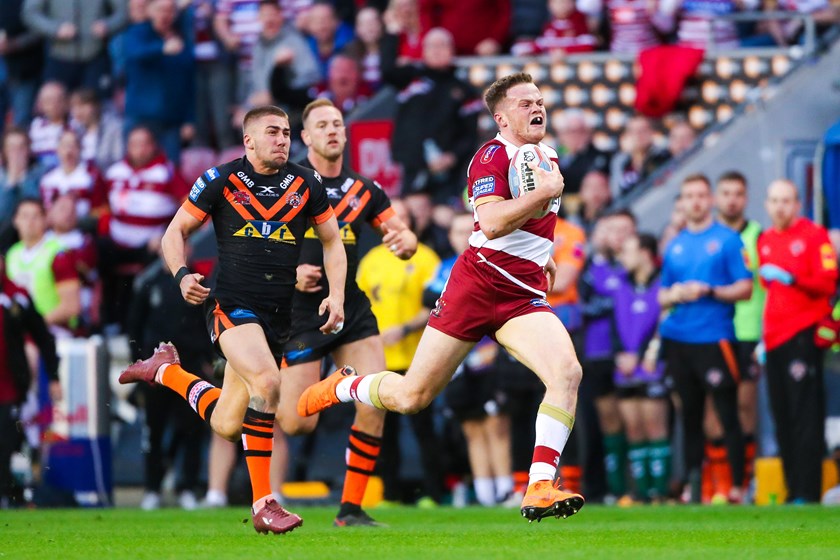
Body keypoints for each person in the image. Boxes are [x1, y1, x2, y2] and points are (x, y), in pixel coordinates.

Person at [298, 72, 586, 523]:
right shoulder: (490, 157)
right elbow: (491, 223)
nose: (537, 108)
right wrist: (544, 194)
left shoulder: (546, 156)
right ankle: (343, 386)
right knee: (412, 396)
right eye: (525, 103)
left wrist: (541, 252)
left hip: (522, 294)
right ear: (501, 118)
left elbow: (528, 223)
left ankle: (539, 485)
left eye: (539, 101)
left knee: (567, 372)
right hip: (477, 286)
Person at [118, 105, 347, 534]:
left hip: (279, 316)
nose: (282, 139)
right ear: (248, 141)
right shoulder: (221, 180)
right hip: (232, 305)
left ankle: (165, 372)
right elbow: (174, 233)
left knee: (227, 423)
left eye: (286, 133)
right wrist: (181, 275)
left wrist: (336, 295)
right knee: (268, 382)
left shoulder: (307, 182)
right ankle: (264, 504)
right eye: (273, 132)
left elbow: (332, 242)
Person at [278, 98, 417, 526]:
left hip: (350, 307)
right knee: (295, 423)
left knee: (375, 400)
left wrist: (406, 242)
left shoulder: (364, 190)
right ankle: (336, 385)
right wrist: (289, 274)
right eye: (322, 125)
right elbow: (255, 245)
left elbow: (402, 233)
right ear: (306, 137)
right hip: (300, 311)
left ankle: (351, 509)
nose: (332, 130)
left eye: (337, 123)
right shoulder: (286, 183)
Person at [658, 173, 752, 504]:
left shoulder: (728, 240)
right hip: (678, 338)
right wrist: (675, 294)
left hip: (715, 337)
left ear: (710, 200)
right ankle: (694, 487)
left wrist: (710, 290)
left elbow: (746, 287)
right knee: (690, 415)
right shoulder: (675, 245)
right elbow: (661, 296)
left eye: (700, 195)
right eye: (689, 196)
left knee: (727, 412)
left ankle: (737, 486)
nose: (695, 202)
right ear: (682, 203)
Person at [357, 199, 442, 508]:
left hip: (419, 356)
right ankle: (390, 494)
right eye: (391, 218)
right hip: (380, 357)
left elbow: (439, 305)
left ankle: (433, 493)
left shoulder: (426, 258)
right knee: (384, 430)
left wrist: (404, 328)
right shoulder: (371, 260)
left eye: (403, 216)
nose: (396, 223)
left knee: (424, 429)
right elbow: (359, 304)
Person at [757, 179, 838, 503]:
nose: (780, 207)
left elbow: (828, 282)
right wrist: (763, 340)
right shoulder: (765, 240)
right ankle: (793, 490)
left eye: (786, 200)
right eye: (774, 200)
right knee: (781, 414)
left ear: (797, 204)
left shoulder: (814, 236)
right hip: (774, 339)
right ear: (767, 205)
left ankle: (808, 490)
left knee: (805, 414)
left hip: (802, 334)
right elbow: (770, 292)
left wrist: (793, 278)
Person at [430, 212, 515, 506]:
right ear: (449, 237)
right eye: (457, 231)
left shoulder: (495, 261)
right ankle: (484, 494)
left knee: (497, 425)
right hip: (458, 361)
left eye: (469, 229)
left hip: (490, 358)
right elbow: (428, 299)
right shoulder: (443, 268)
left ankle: (505, 490)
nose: (464, 236)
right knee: (472, 428)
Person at [127, 249, 215, 511]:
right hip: (156, 371)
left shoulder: (199, 285)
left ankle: (187, 487)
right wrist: (139, 363)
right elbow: (134, 326)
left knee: (192, 430)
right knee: (153, 431)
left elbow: (209, 323)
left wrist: (208, 359)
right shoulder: (149, 285)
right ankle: (152, 489)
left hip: (191, 367)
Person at [712, 170, 764, 497]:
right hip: (715, 331)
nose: (732, 200)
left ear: (746, 198)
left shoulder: (759, 236)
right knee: (713, 408)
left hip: (749, 331)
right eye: (726, 193)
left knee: (745, 405)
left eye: (738, 194)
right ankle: (716, 483)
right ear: (717, 197)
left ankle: (744, 482)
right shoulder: (707, 235)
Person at [613, 232, 670, 502]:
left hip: (651, 365)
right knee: (633, 429)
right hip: (623, 367)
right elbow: (612, 324)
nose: (622, 257)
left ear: (645, 253)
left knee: (654, 426)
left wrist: (644, 354)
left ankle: (660, 491)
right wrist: (619, 355)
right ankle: (640, 492)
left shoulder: (663, 284)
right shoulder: (621, 285)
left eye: (628, 250)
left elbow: (663, 323)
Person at [0, 254, 60, 508]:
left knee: (6, 443)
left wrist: (54, 376)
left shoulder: (17, 297)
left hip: (10, 387)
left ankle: (7, 495)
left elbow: (43, 336)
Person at [7, 198, 81, 337]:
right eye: (25, 216)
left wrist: (34, 325)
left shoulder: (59, 253)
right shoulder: (12, 254)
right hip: (23, 332)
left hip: (54, 332)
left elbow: (71, 306)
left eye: (35, 216)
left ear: (45, 219)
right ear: (15, 220)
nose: (30, 222)